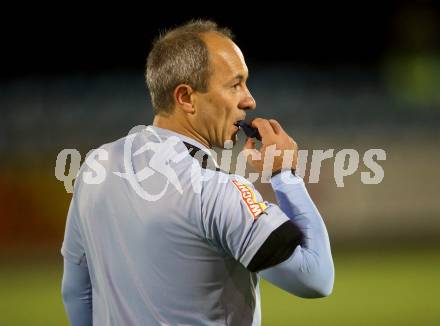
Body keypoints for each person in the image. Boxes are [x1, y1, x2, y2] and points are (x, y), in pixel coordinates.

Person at [61, 19, 334, 326]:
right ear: (186, 97)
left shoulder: (96, 165)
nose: (250, 100)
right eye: (235, 84)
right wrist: (285, 175)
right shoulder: (215, 189)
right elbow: (315, 277)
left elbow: (77, 292)